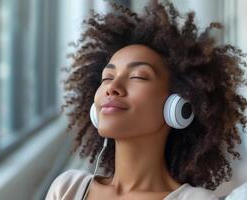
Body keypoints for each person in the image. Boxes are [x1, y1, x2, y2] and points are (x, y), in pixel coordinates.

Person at [46, 0, 247, 199]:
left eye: (138, 76)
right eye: (107, 78)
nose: (112, 88)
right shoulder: (67, 189)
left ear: (178, 106)